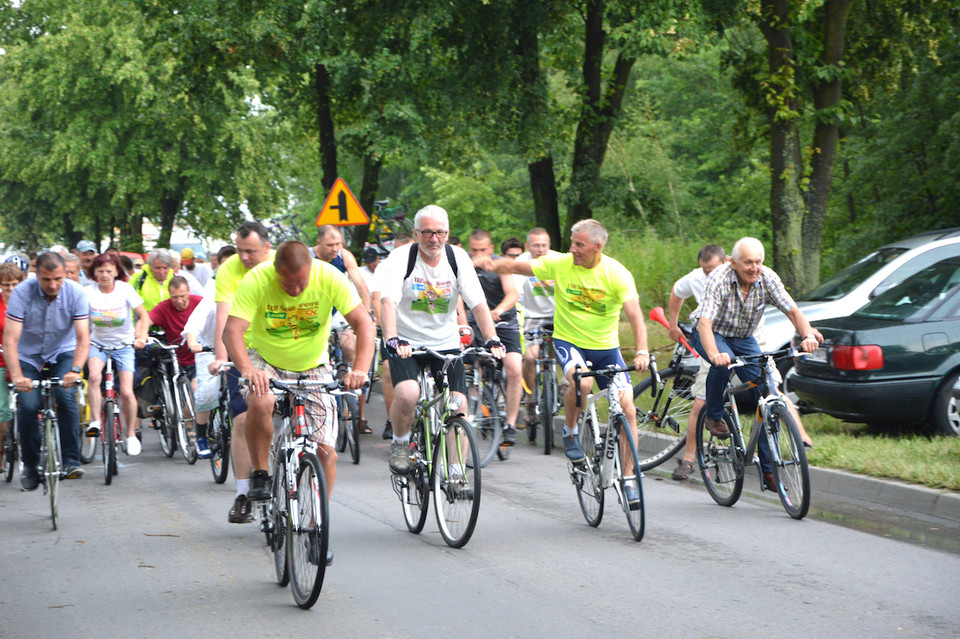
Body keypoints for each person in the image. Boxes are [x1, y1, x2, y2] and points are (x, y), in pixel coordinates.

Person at [476, 219, 650, 506]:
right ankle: (570, 432)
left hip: (606, 348)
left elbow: (635, 317)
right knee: (581, 382)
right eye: (571, 243)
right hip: (569, 342)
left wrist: (642, 350)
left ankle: (629, 478)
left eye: (579, 245)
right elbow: (521, 268)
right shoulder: (562, 263)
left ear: (598, 246)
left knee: (628, 407)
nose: (572, 249)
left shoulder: (617, 273)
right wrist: (495, 265)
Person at [223, 241, 374, 565]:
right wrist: (249, 371)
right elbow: (232, 330)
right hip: (266, 359)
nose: (294, 290)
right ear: (275, 270)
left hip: (313, 364)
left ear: (311, 270)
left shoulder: (329, 276)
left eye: (301, 284)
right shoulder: (258, 279)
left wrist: (359, 369)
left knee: (326, 451)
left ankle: (315, 526)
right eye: (287, 284)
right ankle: (261, 473)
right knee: (260, 402)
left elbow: (364, 324)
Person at [379, 205, 505, 475]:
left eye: (439, 233)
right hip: (405, 342)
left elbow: (479, 304)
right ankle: (401, 443)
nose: (433, 239)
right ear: (415, 233)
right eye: (426, 233)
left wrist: (493, 338)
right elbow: (388, 301)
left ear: (447, 233)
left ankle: (457, 471)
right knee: (408, 393)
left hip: (445, 342)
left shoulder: (457, 258)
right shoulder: (401, 258)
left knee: (458, 405)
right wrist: (391, 338)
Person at [691, 237, 822, 491]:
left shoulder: (767, 278)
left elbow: (792, 310)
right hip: (711, 332)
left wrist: (807, 334)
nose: (753, 268)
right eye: (748, 262)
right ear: (733, 262)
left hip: (743, 336)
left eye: (758, 262)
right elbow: (705, 323)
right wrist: (714, 353)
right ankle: (714, 415)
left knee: (767, 393)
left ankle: (769, 471)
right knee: (721, 364)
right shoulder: (719, 278)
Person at [3, 252, 91, 487]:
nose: (53, 285)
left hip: (62, 351)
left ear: (65, 274)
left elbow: (83, 338)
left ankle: (71, 460)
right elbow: (10, 340)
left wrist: (75, 369)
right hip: (28, 355)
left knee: (65, 395)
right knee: (29, 405)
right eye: (46, 280)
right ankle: (31, 466)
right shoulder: (22, 292)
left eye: (58, 279)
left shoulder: (76, 293)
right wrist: (18, 376)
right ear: (36, 276)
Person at [212, 221, 273, 524]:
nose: (244, 257)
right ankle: (242, 492)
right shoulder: (228, 270)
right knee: (243, 419)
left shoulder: (279, 265)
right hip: (242, 352)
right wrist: (222, 359)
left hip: (277, 350)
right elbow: (224, 318)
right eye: (240, 251)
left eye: (251, 251)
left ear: (267, 247)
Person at [664, 244, 726, 480]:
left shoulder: (735, 274)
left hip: (738, 339)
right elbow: (677, 292)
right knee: (701, 401)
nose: (708, 274)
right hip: (712, 343)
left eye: (712, 269)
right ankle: (688, 460)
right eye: (704, 269)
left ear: (725, 261)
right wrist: (673, 324)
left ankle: (800, 440)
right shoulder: (696, 277)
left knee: (770, 391)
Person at [85, 253, 149, 456]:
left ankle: (130, 433)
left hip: (124, 345)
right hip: (97, 344)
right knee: (94, 377)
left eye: (109, 271)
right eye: (100, 271)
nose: (104, 275)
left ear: (116, 273)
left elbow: (143, 316)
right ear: (94, 272)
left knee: (128, 391)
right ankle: (95, 421)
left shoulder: (125, 289)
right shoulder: (88, 292)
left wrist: (142, 335)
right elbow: (79, 320)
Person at [312, 225, 373, 432]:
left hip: (339, 311)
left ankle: (360, 417)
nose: (335, 249)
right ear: (319, 243)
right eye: (330, 245)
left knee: (351, 349)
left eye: (338, 244)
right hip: (316, 311)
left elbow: (360, 284)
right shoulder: (309, 257)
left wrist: (367, 314)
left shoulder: (344, 256)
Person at [467, 229, 523, 444]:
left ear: (491, 249)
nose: (478, 254)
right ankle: (477, 406)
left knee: (515, 369)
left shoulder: (500, 264)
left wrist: (498, 311)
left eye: (482, 250)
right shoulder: (465, 266)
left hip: (504, 322)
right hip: (476, 324)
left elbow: (512, 294)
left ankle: (510, 424)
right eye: (474, 250)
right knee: (469, 365)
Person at [371, 234, 415, 441]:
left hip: (419, 328)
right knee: (388, 370)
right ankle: (392, 419)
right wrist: (384, 326)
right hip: (394, 328)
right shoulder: (385, 267)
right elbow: (377, 298)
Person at [514, 227, 557, 428]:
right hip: (533, 317)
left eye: (544, 245)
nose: (541, 249)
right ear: (527, 246)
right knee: (530, 357)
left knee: (567, 359)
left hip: (560, 317)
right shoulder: (521, 263)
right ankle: (530, 401)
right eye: (536, 245)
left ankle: (566, 389)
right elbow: (514, 291)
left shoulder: (559, 260)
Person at [149, 277, 203, 381]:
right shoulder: (164, 307)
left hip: (199, 359)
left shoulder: (200, 303)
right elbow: (145, 320)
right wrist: (140, 336)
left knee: (196, 387)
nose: (179, 301)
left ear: (189, 291)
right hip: (177, 361)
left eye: (183, 296)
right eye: (174, 297)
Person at [0, 263, 27, 465]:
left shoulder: (27, 302)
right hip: (1, 361)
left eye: (14, 284)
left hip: (24, 358)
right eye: (6, 284)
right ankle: (0, 449)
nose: (10, 288)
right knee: (2, 411)